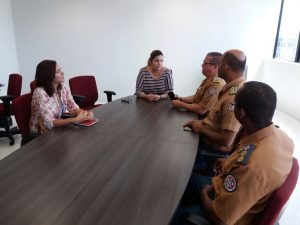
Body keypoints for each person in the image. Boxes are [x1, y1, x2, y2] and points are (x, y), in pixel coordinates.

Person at [172, 81, 294, 225]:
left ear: (241, 113)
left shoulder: (251, 167)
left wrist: (205, 194)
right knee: (184, 180)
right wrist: (229, 163)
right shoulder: (283, 138)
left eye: (234, 105)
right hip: (235, 192)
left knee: (175, 211)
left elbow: (220, 219)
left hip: (226, 214)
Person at [184, 49, 246, 156]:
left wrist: (200, 128)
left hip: (211, 149)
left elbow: (226, 141)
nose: (218, 67)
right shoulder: (231, 87)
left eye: (220, 63)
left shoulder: (233, 98)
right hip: (205, 136)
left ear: (225, 65)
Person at [29, 60, 94, 134]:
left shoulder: (62, 88)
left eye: (60, 70)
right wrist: (75, 120)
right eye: (58, 72)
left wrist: (85, 114)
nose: (62, 73)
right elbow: (49, 123)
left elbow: (73, 108)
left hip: (56, 128)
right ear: (48, 76)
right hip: (41, 133)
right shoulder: (40, 93)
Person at [171, 52, 225, 117]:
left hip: (204, 120)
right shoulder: (208, 79)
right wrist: (181, 99)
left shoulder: (216, 84)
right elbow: (196, 97)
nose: (202, 65)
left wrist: (180, 104)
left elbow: (202, 110)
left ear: (215, 67)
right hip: (196, 115)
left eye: (205, 63)